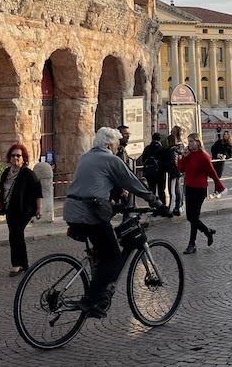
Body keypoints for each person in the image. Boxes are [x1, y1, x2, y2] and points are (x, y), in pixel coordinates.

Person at [63, 127, 167, 318]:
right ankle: (90, 300)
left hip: (71, 211)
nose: (118, 148)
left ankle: (96, 284)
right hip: (90, 215)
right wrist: (157, 203)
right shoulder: (111, 159)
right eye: (117, 145)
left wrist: (112, 203)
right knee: (113, 258)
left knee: (102, 251)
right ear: (109, 144)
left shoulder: (85, 157)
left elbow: (92, 185)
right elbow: (133, 183)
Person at [0, 142, 43, 276]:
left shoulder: (28, 174)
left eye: (18, 156)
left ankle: (16, 265)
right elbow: (2, 188)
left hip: (24, 210)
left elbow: (38, 191)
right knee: (16, 235)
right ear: (9, 157)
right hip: (10, 209)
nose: (15, 158)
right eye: (13, 155)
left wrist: (39, 209)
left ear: (23, 158)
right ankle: (24, 263)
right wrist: (0, 199)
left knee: (15, 234)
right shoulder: (6, 172)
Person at [177, 132, 225, 254]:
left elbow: (212, 172)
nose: (190, 144)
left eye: (192, 141)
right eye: (189, 141)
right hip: (189, 187)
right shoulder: (188, 155)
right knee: (190, 217)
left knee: (194, 217)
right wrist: (183, 157)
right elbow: (181, 169)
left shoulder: (203, 156)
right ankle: (207, 231)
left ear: (198, 142)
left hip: (200, 189)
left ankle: (192, 244)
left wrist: (219, 186)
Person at [139, 132, 166, 204]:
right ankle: (162, 206)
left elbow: (143, 160)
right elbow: (165, 160)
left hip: (150, 172)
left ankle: (153, 206)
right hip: (160, 172)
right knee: (161, 190)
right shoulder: (162, 149)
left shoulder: (147, 148)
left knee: (151, 190)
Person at [167, 128, 187, 215]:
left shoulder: (176, 146)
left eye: (173, 132)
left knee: (174, 190)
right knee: (176, 189)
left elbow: (175, 161)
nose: (171, 132)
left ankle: (174, 207)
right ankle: (178, 206)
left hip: (175, 171)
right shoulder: (180, 145)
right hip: (178, 170)